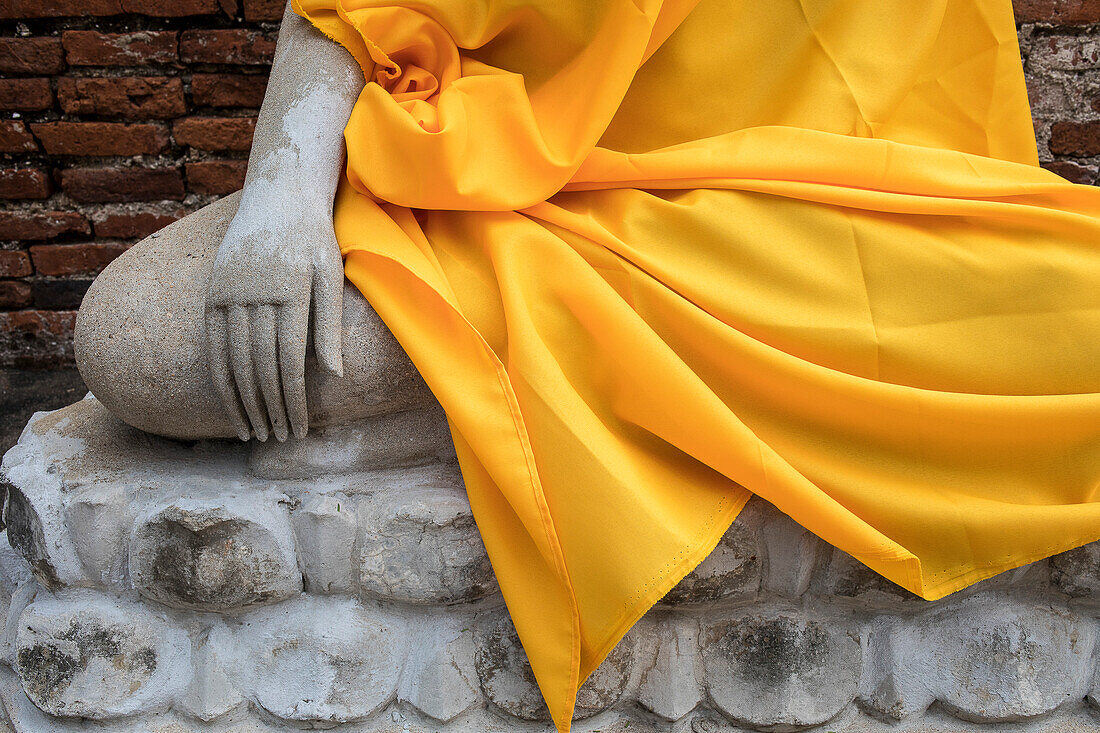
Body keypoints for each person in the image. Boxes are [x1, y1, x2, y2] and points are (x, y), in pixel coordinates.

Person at [78, 1, 1100, 731]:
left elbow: (928, 115)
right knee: (139, 339)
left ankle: (498, 382)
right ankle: (509, 374)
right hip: (482, 177)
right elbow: (353, 14)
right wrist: (283, 194)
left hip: (808, 222)